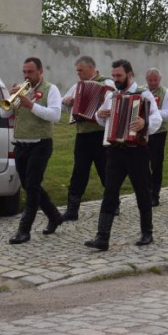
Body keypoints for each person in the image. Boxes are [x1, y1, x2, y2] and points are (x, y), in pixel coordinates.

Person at [85, 60, 162, 250]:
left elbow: (157, 118)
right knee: (109, 192)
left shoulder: (143, 94)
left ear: (129, 74)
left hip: (137, 151)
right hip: (115, 150)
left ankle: (147, 233)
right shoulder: (112, 95)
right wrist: (100, 115)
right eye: (113, 76)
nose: (115, 79)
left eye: (118, 76)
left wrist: (144, 123)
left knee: (142, 192)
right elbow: (101, 119)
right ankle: (102, 237)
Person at [1, 57, 63, 245]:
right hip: (20, 144)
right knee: (29, 186)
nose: (26, 76)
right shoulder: (21, 90)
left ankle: (24, 230)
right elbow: (3, 113)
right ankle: (54, 216)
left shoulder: (51, 89)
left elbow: (55, 115)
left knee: (33, 186)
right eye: (24, 72)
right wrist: (11, 99)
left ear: (40, 72)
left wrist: (30, 105)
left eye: (30, 72)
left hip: (40, 144)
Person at [61, 56, 115, 221]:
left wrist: (103, 111)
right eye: (77, 71)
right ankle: (72, 209)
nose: (78, 74)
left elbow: (115, 104)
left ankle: (113, 204)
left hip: (100, 134)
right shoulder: (77, 86)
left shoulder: (107, 83)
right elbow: (64, 106)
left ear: (91, 68)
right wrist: (67, 101)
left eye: (81, 71)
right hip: (82, 135)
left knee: (105, 170)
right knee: (79, 171)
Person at [141, 68, 168, 207]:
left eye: (155, 80)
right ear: (146, 79)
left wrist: (151, 111)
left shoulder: (166, 93)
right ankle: (146, 191)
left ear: (160, 79)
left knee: (156, 164)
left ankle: (155, 194)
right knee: (142, 162)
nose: (153, 83)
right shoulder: (141, 91)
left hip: (159, 132)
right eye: (150, 80)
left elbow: (167, 114)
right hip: (143, 131)